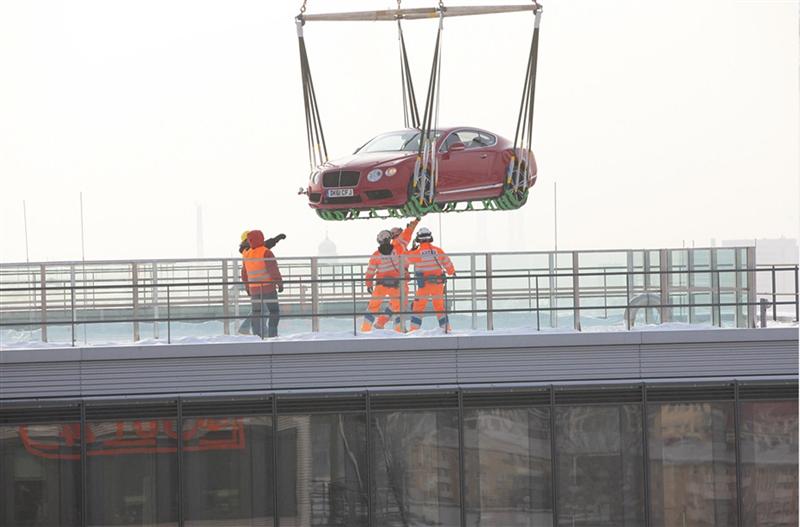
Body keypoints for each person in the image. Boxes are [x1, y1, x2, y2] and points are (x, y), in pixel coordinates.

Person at [406, 226, 456, 332]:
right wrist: (451, 272)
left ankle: (414, 330)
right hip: (438, 284)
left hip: (423, 285)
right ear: (430, 237)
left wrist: (412, 249)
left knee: (418, 307)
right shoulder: (438, 250)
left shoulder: (417, 253)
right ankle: (446, 329)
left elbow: (406, 259)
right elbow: (447, 262)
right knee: (439, 307)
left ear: (418, 239)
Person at [238, 230, 286, 335]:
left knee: (256, 313)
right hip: (268, 288)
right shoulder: (265, 252)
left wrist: (247, 288)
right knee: (274, 312)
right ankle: (272, 334)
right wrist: (279, 283)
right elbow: (273, 269)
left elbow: (244, 273)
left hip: (254, 289)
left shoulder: (246, 253)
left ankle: (256, 335)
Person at [362, 230, 403, 332]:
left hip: (381, 286)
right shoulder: (397, 250)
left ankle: (365, 330)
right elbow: (407, 256)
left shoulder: (376, 255)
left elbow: (370, 271)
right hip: (395, 285)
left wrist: (368, 284)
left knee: (372, 308)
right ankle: (399, 330)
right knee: (398, 309)